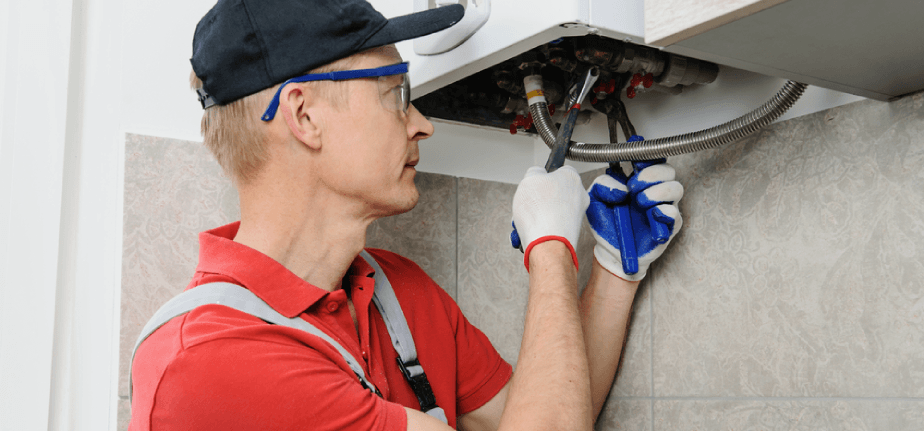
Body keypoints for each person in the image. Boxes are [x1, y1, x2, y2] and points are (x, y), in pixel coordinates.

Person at [128, 0, 684, 430]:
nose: (421, 123)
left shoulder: (396, 290)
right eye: (396, 94)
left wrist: (614, 273)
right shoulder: (212, 363)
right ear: (304, 115)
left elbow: (541, 411)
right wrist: (552, 254)